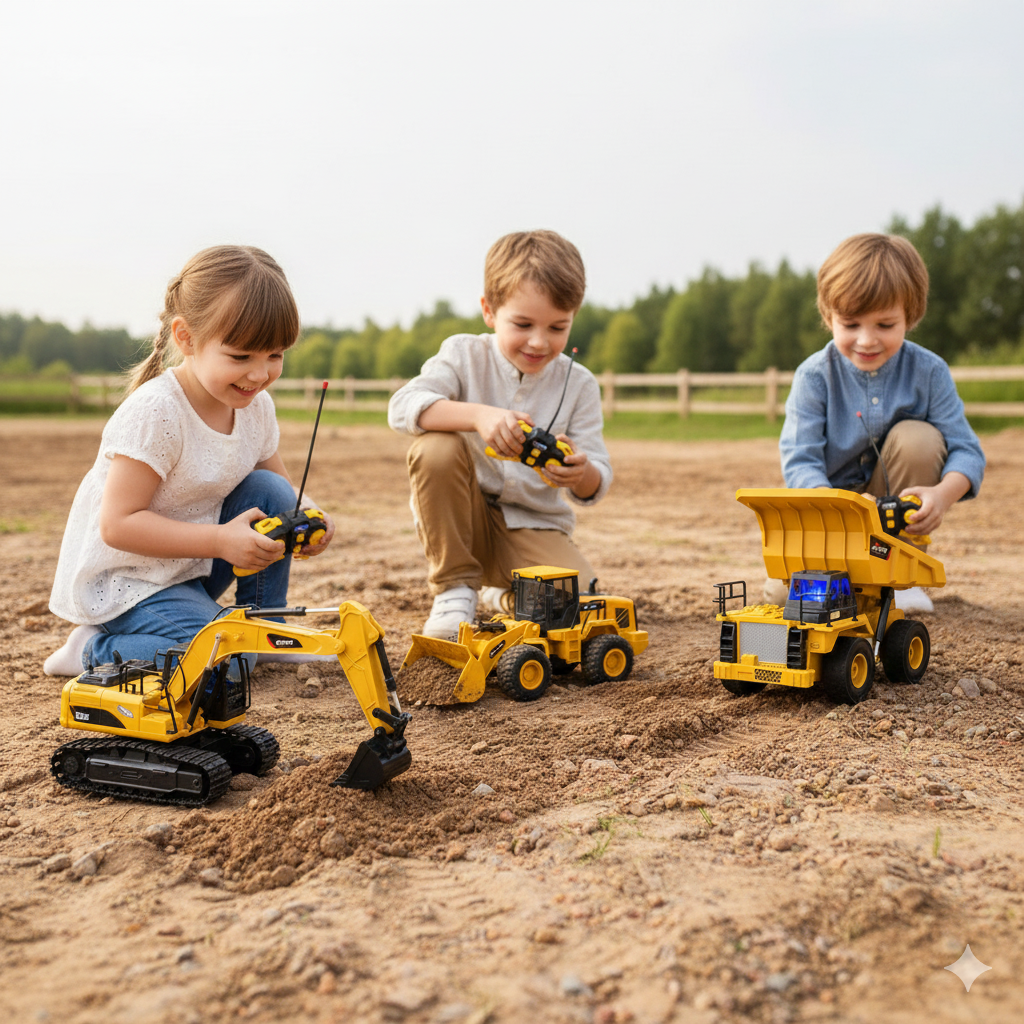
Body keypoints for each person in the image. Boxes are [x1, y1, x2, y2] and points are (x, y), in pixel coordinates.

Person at [43, 245, 336, 676]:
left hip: (188, 567)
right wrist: (219, 541)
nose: (260, 374)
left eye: (275, 355)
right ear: (186, 338)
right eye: (241, 357)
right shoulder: (157, 412)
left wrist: (307, 515)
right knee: (229, 661)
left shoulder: (256, 407)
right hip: (129, 584)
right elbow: (117, 525)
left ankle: (267, 625)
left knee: (273, 492)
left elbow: (278, 488)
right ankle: (91, 647)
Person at [388, 229, 612, 638]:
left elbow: (596, 479)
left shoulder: (580, 384)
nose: (539, 342)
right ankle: (454, 588)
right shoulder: (463, 354)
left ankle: (499, 597)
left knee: (577, 601)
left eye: (558, 327)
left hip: (531, 525)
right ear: (489, 311)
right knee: (435, 445)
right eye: (523, 324)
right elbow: (402, 407)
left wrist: (580, 473)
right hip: (462, 522)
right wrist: (478, 416)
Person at [775, 232, 985, 612]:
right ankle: (854, 584)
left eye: (885, 325)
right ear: (829, 317)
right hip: (832, 521)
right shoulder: (814, 377)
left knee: (919, 438)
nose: (867, 340)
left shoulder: (930, 372)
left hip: (894, 521)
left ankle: (898, 579)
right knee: (781, 598)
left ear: (910, 316)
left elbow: (967, 452)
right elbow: (800, 462)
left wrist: (942, 496)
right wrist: (844, 509)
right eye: (850, 324)